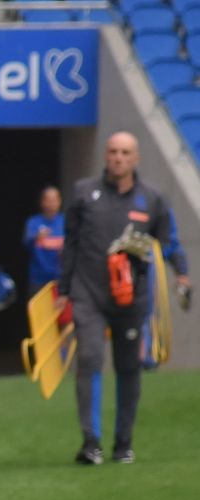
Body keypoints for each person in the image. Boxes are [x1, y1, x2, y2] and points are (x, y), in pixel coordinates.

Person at [56, 131, 189, 465]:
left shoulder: (153, 198)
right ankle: (91, 442)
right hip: (89, 293)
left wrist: (181, 275)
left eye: (125, 152)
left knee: (128, 368)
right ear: (106, 155)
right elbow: (70, 241)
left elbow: (168, 241)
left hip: (132, 298)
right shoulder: (85, 193)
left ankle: (123, 443)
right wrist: (63, 289)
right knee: (89, 359)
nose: (118, 157)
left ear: (136, 158)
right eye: (113, 151)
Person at [23, 186, 65, 296]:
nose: (51, 203)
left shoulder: (65, 222)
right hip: (38, 279)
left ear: (59, 202)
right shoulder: (33, 222)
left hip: (60, 279)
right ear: (42, 202)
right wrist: (37, 237)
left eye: (54, 200)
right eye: (48, 200)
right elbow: (25, 245)